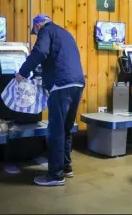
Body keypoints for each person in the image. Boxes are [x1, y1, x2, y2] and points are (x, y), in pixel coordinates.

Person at [16, 14, 85, 186]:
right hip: (77, 83)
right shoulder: (64, 33)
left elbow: (40, 51)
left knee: (55, 131)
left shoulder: (46, 30)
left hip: (61, 85)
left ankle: (55, 175)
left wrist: (22, 72)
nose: (36, 33)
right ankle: (66, 167)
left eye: (35, 30)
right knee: (67, 128)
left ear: (38, 25)